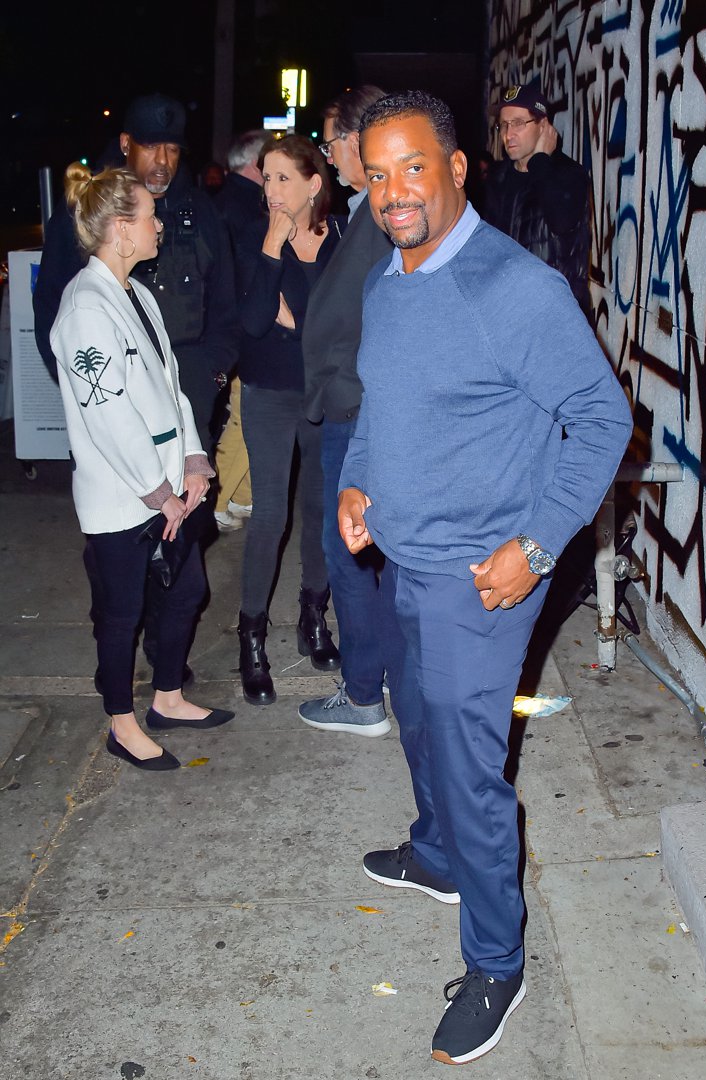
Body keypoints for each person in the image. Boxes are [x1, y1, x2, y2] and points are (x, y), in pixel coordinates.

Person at [339, 91, 632, 1063]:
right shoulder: (390, 281)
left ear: (458, 167)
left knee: (471, 768)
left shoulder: (515, 289)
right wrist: (355, 485)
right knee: (416, 719)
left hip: (484, 573)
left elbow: (603, 421)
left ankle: (497, 962)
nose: (394, 191)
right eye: (377, 173)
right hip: (406, 555)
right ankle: (434, 854)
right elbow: (381, 409)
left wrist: (539, 545)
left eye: (413, 166)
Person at [50, 162, 234, 772]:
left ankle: (168, 697)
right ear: (122, 229)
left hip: (169, 489)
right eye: (151, 216)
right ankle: (121, 724)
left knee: (186, 593)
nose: (161, 223)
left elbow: (169, 386)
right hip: (123, 498)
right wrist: (160, 493)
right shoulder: (84, 309)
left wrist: (194, 459)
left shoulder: (139, 295)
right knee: (121, 613)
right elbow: (109, 417)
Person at [34, 92, 239, 458]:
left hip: (188, 387)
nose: (163, 161)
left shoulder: (203, 212)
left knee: (192, 509)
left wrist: (212, 376)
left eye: (173, 149)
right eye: (150, 146)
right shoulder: (84, 214)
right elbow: (51, 308)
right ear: (126, 144)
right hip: (111, 395)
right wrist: (84, 384)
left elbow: (226, 305)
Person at [295, 84, 393, 739]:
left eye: (332, 143)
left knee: (347, 550)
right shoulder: (364, 212)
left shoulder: (382, 214)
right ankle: (379, 673)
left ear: (359, 139)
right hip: (354, 402)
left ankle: (363, 697)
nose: (329, 158)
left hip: (356, 408)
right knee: (367, 550)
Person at [235, 134, 343, 705]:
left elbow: (336, 320)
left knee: (323, 510)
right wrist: (273, 247)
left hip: (325, 394)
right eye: (266, 177)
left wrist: (297, 322)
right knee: (270, 514)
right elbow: (253, 323)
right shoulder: (256, 238)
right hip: (270, 391)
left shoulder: (340, 239)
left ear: (313, 185)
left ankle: (313, 619)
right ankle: (251, 639)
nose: (271, 190)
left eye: (283, 178)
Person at [484, 80, 592, 317]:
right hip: (508, 312)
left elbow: (561, 221)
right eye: (503, 125)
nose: (508, 134)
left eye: (518, 123)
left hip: (557, 314)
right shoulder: (498, 177)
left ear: (543, 126)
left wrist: (540, 159)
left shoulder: (568, 174)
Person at [211, 130, 267, 533]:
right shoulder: (245, 208)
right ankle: (216, 501)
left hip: (232, 331)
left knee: (247, 415)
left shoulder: (224, 202)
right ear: (255, 165)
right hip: (244, 335)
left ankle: (241, 497)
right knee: (246, 417)